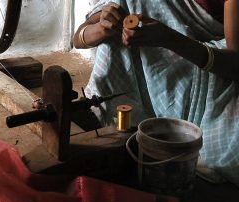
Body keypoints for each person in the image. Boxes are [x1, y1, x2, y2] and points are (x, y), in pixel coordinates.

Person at [73, 0, 239, 186]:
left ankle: (167, 135)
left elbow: (234, 63)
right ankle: (123, 123)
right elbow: (78, 39)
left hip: (207, 66)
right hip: (154, 68)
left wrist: (170, 39)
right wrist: (102, 28)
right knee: (116, 35)